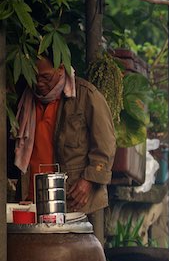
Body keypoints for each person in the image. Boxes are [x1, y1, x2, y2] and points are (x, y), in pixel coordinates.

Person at [14, 56, 116, 214]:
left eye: (45, 77)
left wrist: (88, 179)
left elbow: (105, 145)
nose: (39, 82)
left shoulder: (86, 95)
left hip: (73, 197)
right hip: (31, 197)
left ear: (61, 69)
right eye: (34, 76)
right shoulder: (26, 97)